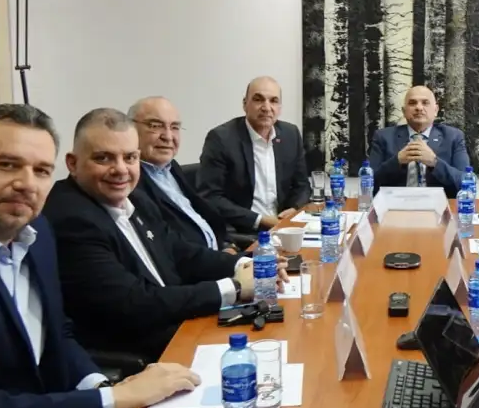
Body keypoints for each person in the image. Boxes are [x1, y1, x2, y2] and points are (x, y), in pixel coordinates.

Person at [0, 104, 201, 408]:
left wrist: (102, 386)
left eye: (41, 171)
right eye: (7, 165)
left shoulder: (35, 231)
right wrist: (117, 398)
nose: (26, 184)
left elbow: (57, 334)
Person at [43, 109, 281, 361]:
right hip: (146, 353)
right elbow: (135, 304)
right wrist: (235, 287)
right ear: (72, 163)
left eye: (130, 157)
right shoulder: (72, 218)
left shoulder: (134, 197)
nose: (120, 169)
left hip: (181, 324)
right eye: (103, 158)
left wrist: (248, 265)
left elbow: (180, 252)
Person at [198, 76, 310, 233]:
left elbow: (302, 185)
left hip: (284, 227)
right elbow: (210, 197)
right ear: (245, 104)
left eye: (273, 101)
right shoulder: (222, 138)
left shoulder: (290, 134)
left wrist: (294, 209)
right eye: (258, 100)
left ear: (279, 107)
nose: (266, 107)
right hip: (242, 231)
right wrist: (260, 220)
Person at [128, 96, 239, 253]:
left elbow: (204, 215)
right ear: (131, 129)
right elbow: (169, 247)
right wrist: (225, 260)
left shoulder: (171, 167)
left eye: (174, 127)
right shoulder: (130, 182)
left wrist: (227, 246)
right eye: (155, 126)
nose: (168, 136)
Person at [368, 85, 471, 198]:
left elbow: (465, 183)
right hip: (396, 203)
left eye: (425, 103)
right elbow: (370, 183)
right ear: (404, 111)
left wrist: (435, 163)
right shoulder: (383, 137)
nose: (419, 107)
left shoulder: (453, 137)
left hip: (439, 204)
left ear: (435, 110)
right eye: (412, 103)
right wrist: (397, 161)